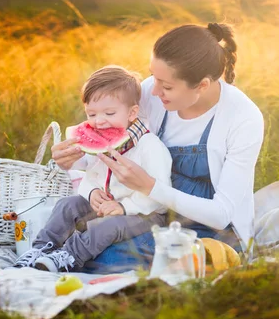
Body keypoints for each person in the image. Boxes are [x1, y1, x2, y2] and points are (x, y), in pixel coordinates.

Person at [52, 23, 264, 273]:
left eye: (167, 86)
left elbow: (221, 214)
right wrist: (74, 159)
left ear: (202, 85)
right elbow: (117, 146)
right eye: (153, 76)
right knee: (87, 242)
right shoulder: (151, 93)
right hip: (150, 212)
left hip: (211, 229)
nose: (153, 90)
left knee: (102, 258)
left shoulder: (243, 118)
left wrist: (150, 186)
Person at [14, 65, 172, 272]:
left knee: (107, 226)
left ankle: (69, 257)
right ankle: (40, 249)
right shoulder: (105, 142)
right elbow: (92, 174)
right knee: (67, 204)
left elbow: (160, 195)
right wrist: (92, 192)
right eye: (91, 114)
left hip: (145, 213)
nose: (99, 121)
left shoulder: (150, 146)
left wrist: (125, 208)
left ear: (133, 112)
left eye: (109, 112)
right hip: (108, 202)